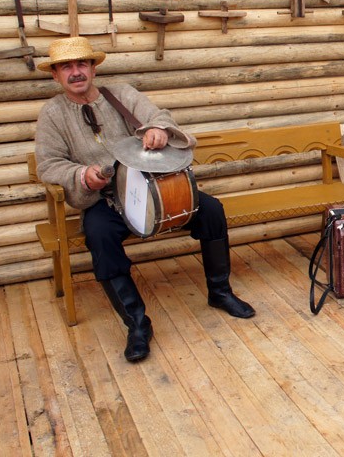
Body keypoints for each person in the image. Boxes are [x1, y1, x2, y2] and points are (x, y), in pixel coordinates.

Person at [34, 36, 254, 363]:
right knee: (99, 236)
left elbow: (158, 115)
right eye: (66, 67)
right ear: (55, 75)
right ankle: (137, 324)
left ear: (93, 68)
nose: (75, 72)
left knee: (210, 209)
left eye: (81, 64)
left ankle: (220, 292)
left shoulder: (121, 94)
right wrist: (82, 175)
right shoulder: (53, 114)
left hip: (154, 189)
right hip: (105, 199)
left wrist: (160, 129)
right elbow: (49, 164)